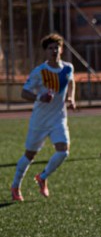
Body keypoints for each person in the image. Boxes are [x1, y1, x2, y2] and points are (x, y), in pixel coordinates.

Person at [11, 33, 75, 201]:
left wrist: (71, 98)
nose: (54, 51)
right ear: (45, 51)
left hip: (59, 118)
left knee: (63, 152)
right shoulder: (39, 71)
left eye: (56, 48)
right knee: (29, 155)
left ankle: (43, 177)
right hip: (40, 120)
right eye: (50, 48)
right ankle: (15, 186)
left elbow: (71, 82)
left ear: (61, 49)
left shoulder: (68, 67)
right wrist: (40, 97)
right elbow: (24, 93)